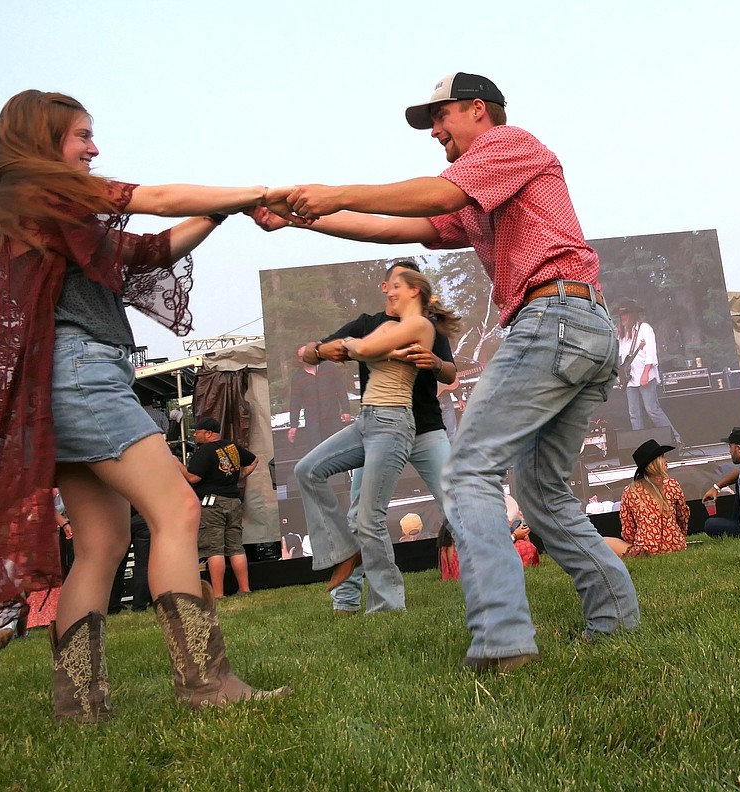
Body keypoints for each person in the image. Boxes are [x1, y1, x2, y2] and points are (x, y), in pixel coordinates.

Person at [0, 90, 291, 722]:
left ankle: (79, 705)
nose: (93, 148)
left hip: (59, 385)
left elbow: (147, 253)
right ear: (42, 139)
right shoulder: (42, 189)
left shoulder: (42, 209)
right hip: (81, 375)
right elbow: (159, 201)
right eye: (82, 136)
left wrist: (224, 212)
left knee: (102, 543)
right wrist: (249, 193)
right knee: (176, 510)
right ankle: (205, 683)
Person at [257, 73, 640, 669]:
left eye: (441, 118)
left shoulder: (511, 145)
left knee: (468, 474)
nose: (435, 132)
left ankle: (503, 640)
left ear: (479, 111)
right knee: (540, 493)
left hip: (553, 319)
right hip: (579, 327)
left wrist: (333, 191)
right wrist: (305, 219)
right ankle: (615, 621)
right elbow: (395, 226)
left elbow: (434, 195)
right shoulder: (482, 196)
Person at [294, 268, 459, 614]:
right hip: (371, 423)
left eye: (402, 285)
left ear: (414, 291)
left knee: (455, 505)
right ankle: (346, 586)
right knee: (316, 478)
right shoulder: (376, 323)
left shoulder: (423, 326)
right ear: (386, 287)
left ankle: (487, 578)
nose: (395, 290)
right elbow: (313, 353)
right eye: (393, 284)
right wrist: (321, 349)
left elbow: (448, 372)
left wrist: (434, 362)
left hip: (417, 427)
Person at [178, 417, 258, 599]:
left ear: (208, 433)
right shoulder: (231, 447)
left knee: (214, 548)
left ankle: (218, 594)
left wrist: (177, 465)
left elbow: (193, 478)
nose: (195, 435)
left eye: (197, 431)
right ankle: (245, 589)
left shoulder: (204, 451)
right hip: (233, 501)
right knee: (236, 546)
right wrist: (240, 475)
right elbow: (254, 461)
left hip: (213, 504)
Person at [605, 439, 689, 558]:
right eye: (662, 457)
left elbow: (628, 531)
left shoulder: (630, 491)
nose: (666, 460)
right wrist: (678, 537)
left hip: (646, 549)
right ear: (653, 463)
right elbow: (683, 517)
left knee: (605, 541)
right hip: (676, 546)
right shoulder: (672, 485)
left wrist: (639, 543)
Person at [616, 300, 682, 444]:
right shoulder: (623, 334)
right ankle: (640, 443)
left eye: (625, 314)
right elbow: (622, 357)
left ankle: (675, 439)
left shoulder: (645, 328)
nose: (623, 317)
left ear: (632, 314)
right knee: (634, 414)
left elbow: (651, 354)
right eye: (621, 314)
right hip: (630, 379)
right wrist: (616, 337)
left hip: (645, 376)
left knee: (652, 410)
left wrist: (645, 373)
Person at [285, 355, 351, 458]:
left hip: (332, 417)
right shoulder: (298, 377)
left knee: (337, 449)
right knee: (317, 453)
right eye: (302, 356)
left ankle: (340, 473)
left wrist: (346, 410)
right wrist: (293, 425)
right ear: (299, 359)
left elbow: (341, 389)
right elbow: (295, 403)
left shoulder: (328, 367)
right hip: (313, 422)